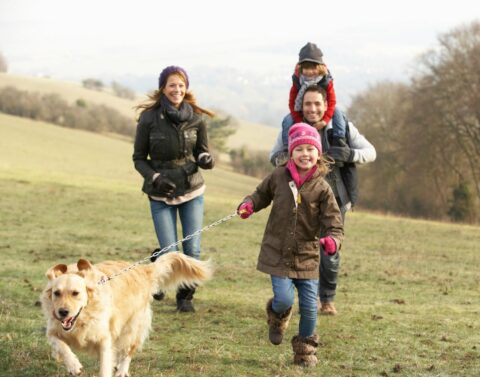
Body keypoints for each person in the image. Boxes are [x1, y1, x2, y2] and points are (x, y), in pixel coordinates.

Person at [237, 123, 344, 367]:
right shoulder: (278, 176)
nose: (305, 154)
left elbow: (334, 224)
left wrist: (332, 241)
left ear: (318, 153)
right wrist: (249, 205)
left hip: (307, 257)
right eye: (300, 149)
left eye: (310, 149)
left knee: (309, 308)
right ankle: (277, 318)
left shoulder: (323, 188)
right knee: (284, 299)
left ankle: (305, 351)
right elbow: (259, 195)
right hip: (278, 253)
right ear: (291, 153)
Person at [271, 85, 376, 316]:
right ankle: (309, 300)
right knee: (303, 250)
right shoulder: (290, 127)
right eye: (308, 104)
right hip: (300, 200)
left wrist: (349, 155)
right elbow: (274, 156)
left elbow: (371, 152)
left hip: (335, 200)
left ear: (327, 105)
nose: (313, 108)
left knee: (330, 251)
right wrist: (289, 161)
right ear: (301, 106)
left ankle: (327, 298)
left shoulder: (342, 127)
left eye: (318, 103)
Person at [132, 65, 215, 313]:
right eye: (172, 85)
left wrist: (205, 159)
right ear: (163, 88)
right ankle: (158, 264)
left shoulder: (197, 118)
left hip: (191, 189)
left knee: (193, 249)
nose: (177, 89)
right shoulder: (148, 118)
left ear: (185, 88)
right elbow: (138, 158)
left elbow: (203, 150)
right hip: (160, 192)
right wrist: (155, 177)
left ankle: (185, 297)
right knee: (170, 251)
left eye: (181, 85)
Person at [282, 42, 346, 149]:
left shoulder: (326, 80)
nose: (309, 72)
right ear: (301, 68)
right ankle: (285, 146)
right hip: (302, 111)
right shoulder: (298, 80)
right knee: (287, 120)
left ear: (320, 67)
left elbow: (332, 101)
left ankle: (339, 139)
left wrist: (325, 121)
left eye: (313, 68)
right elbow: (292, 102)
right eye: (306, 68)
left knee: (339, 113)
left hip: (325, 110)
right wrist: (299, 121)